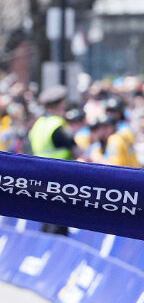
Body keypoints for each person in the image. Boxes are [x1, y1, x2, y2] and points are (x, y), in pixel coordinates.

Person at [28, 85, 82, 235]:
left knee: (46, 222)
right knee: (58, 224)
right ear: (61, 104)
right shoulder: (57, 125)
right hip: (60, 179)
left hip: (40, 178)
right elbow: (77, 151)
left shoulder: (38, 125)